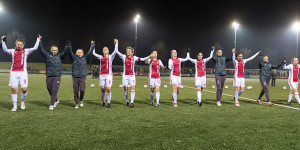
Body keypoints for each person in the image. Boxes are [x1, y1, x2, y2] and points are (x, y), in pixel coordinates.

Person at [1, 34, 41, 111]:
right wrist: (3, 41)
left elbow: (35, 48)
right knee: (14, 90)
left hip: (23, 73)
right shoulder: (12, 51)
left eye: (20, 45)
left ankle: (22, 101)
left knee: (24, 89)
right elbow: (5, 50)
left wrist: (38, 39)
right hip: (13, 73)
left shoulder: (26, 51)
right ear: (15, 45)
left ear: (23, 45)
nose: (19, 46)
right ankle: (14, 106)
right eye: (18, 44)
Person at [39, 37, 69, 110]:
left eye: (56, 50)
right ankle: (56, 100)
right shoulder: (47, 55)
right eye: (53, 50)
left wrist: (66, 46)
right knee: (49, 89)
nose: (54, 51)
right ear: (51, 50)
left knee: (54, 90)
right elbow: (41, 49)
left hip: (57, 75)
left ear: (58, 50)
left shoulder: (60, 56)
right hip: (49, 75)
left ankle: (52, 104)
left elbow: (65, 53)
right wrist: (39, 41)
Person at [68, 40, 95, 109]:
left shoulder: (85, 58)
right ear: (76, 53)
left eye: (81, 52)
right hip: (75, 77)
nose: (79, 53)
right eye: (78, 52)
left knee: (82, 90)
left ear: (83, 53)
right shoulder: (74, 58)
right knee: (76, 91)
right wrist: (69, 45)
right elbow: (70, 52)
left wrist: (92, 44)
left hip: (83, 77)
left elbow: (90, 51)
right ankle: (76, 103)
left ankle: (81, 100)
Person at [93, 39, 118, 108]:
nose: (104, 50)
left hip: (109, 75)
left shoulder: (111, 57)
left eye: (106, 49)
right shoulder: (101, 57)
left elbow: (115, 51)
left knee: (108, 88)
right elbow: (94, 53)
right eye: (103, 49)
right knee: (103, 89)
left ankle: (109, 103)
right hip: (102, 75)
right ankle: (103, 102)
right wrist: (93, 45)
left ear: (108, 51)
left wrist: (116, 43)